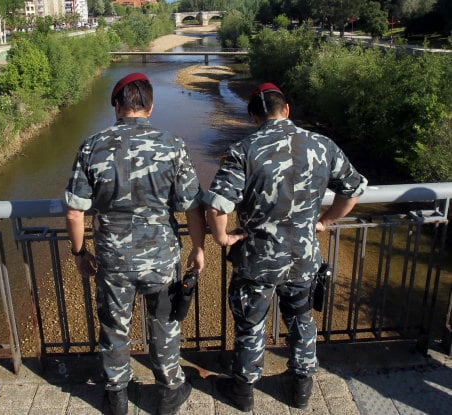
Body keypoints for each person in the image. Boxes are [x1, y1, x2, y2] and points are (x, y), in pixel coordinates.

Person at [204, 83, 367, 411]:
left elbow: (217, 207)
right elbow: (354, 188)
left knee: (251, 323)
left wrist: (222, 238)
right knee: (302, 318)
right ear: (287, 109)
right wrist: (325, 222)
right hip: (304, 257)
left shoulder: (243, 151)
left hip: (258, 261)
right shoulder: (321, 145)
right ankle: (301, 389)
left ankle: (243, 390)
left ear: (253, 116)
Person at [64, 72, 213, 415]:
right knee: (164, 324)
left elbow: (74, 213)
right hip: (161, 260)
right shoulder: (172, 145)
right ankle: (168, 392)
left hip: (112, 261)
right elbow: (192, 205)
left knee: (115, 327)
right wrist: (198, 247)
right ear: (150, 106)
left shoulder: (92, 146)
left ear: (116, 105)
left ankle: (116, 397)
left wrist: (78, 253)